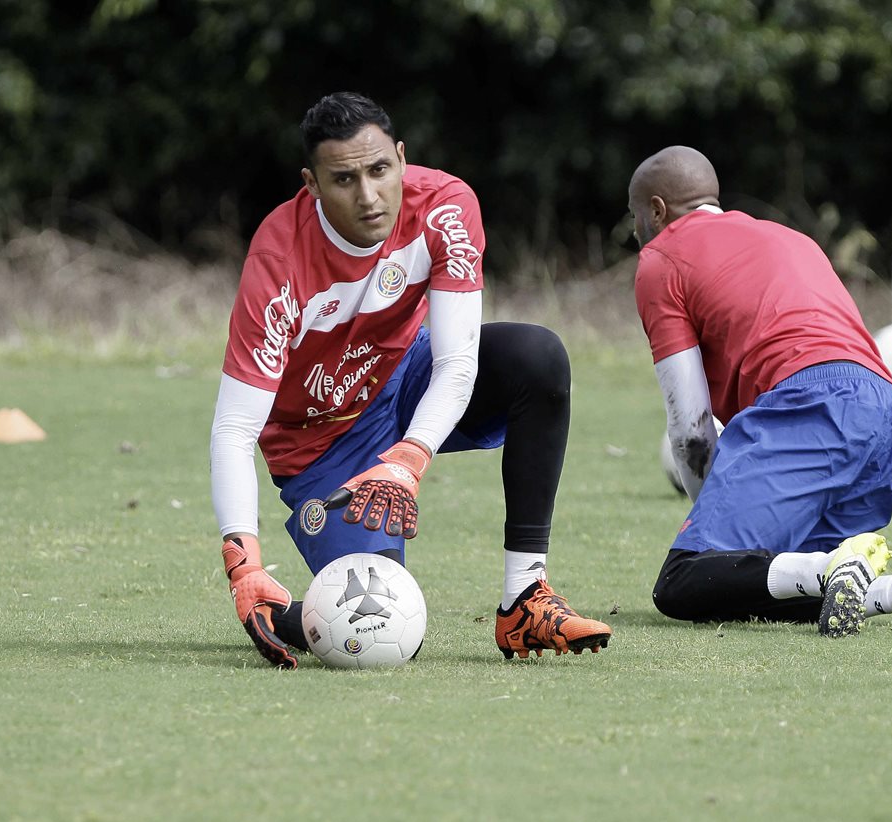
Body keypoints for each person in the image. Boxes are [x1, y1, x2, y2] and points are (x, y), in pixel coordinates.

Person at [210, 92, 611, 668]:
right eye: (344, 179)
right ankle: (278, 611)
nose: (369, 196)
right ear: (312, 183)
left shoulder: (445, 207)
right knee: (384, 630)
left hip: (409, 376)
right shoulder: (279, 262)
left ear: (401, 157)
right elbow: (234, 428)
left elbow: (457, 364)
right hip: (322, 444)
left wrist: (409, 458)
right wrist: (243, 562)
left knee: (536, 357)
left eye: (379, 170)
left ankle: (525, 598)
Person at [627, 146, 892, 637]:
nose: (636, 230)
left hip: (811, 407)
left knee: (685, 581)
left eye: (635, 215)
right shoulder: (791, 237)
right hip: (891, 416)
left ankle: (831, 568)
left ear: (657, 209)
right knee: (776, 579)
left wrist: (713, 523)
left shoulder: (660, 259)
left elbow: (691, 428)